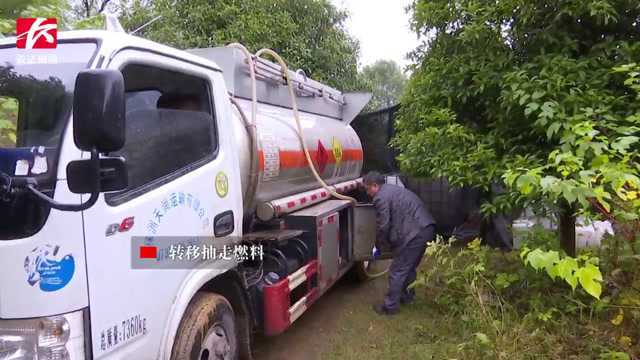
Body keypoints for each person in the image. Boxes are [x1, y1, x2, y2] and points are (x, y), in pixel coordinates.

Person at [363, 171, 436, 315]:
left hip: (415, 233)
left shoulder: (380, 197)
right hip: (426, 228)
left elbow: (383, 225)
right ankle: (407, 297)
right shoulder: (392, 190)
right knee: (408, 267)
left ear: (375, 186)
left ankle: (390, 307)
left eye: (367, 189)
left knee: (397, 270)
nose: (367, 193)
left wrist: (379, 246)